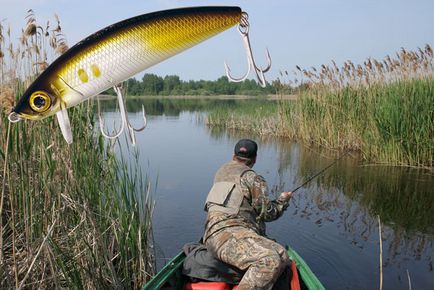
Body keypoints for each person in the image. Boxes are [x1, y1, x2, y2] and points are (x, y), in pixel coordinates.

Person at [203, 139, 293, 290]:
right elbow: (268, 214)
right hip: (228, 237)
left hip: (212, 234)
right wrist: (282, 201)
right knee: (269, 261)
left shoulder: (221, 171)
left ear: (233, 156)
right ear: (255, 159)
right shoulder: (253, 178)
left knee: (281, 254)